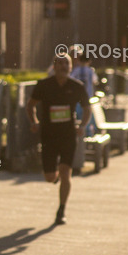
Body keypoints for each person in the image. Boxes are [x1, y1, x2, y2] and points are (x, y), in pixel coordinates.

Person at [26, 53, 90, 225]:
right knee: (49, 177)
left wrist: (82, 126)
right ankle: (55, 178)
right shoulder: (44, 85)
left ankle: (61, 210)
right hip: (48, 135)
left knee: (65, 172)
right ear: (53, 67)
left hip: (68, 135)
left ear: (71, 67)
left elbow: (87, 108)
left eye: (66, 63)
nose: (63, 66)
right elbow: (30, 105)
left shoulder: (77, 86)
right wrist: (34, 121)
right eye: (59, 63)